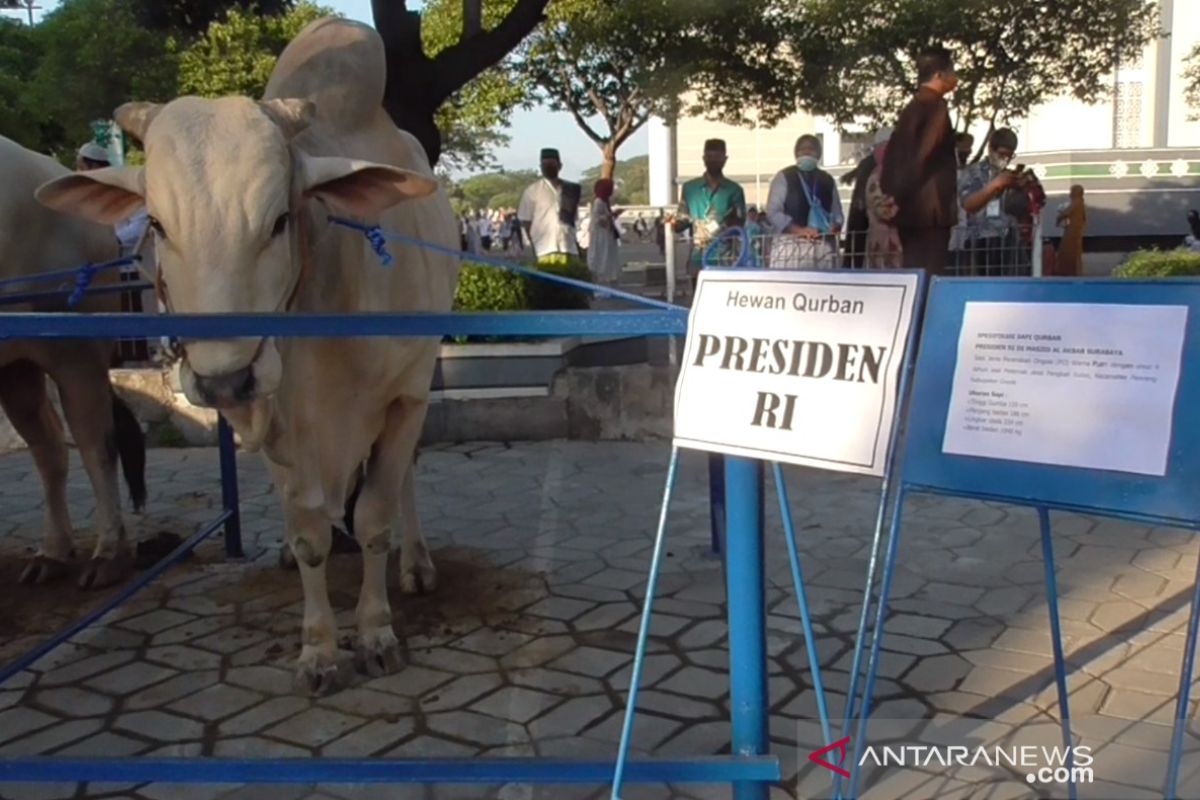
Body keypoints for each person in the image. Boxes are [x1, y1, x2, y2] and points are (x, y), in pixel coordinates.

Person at [881, 45, 959, 276]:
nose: (955, 77)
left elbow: (893, 156)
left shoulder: (911, 108)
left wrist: (893, 195)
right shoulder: (936, 107)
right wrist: (901, 192)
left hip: (908, 210)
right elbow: (923, 154)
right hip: (931, 211)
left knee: (913, 271)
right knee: (930, 274)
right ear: (939, 74)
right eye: (952, 70)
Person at [672, 139, 746, 287]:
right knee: (699, 301)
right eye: (710, 157)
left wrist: (724, 225)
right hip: (697, 258)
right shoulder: (689, 188)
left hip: (726, 259)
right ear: (703, 158)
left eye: (718, 157)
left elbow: (740, 223)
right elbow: (682, 219)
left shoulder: (735, 190)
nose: (713, 161)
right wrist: (673, 224)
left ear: (725, 159)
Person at [765, 134, 843, 269]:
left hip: (822, 247)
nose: (807, 151)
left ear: (819, 153)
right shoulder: (783, 176)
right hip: (790, 246)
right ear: (796, 153)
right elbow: (773, 212)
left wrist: (834, 226)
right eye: (802, 149)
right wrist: (798, 230)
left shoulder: (827, 179)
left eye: (811, 148)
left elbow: (837, 214)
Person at [958, 127, 1027, 276]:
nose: (1005, 160)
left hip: (1008, 240)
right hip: (980, 241)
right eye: (1002, 154)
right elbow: (969, 205)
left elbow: (1019, 210)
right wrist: (995, 186)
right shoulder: (972, 173)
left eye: (1010, 156)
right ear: (990, 149)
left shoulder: (1008, 175)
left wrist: (1022, 189)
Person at [518, 148, 582, 262]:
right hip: (544, 248)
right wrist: (532, 242)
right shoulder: (532, 191)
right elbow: (526, 221)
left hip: (568, 246)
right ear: (540, 167)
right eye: (545, 164)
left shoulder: (571, 190)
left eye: (551, 164)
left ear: (560, 166)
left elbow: (574, 219)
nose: (548, 167)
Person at [864, 131, 903, 268]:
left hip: (895, 244)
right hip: (885, 246)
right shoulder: (878, 177)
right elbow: (884, 211)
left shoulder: (897, 174)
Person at [587, 179, 621, 285]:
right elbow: (598, 219)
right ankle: (602, 279)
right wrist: (611, 215)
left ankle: (606, 278)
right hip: (601, 234)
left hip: (605, 233)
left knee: (605, 255)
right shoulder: (599, 202)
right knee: (602, 255)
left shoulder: (604, 202)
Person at [1055, 185, 1087, 276]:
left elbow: (1067, 212)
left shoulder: (1076, 202)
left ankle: (1067, 271)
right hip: (1075, 230)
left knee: (1068, 250)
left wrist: (1059, 218)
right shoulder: (1080, 202)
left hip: (1072, 231)